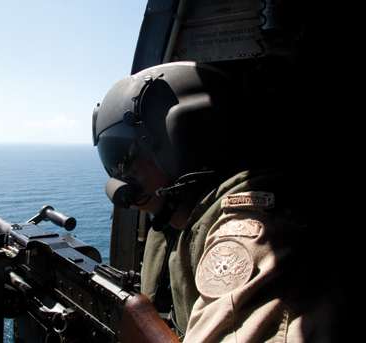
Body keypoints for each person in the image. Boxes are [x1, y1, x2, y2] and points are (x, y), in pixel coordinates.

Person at [92, 60, 340, 342]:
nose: (120, 178)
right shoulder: (177, 229)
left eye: (125, 159)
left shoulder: (250, 231)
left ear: (183, 143)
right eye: (112, 164)